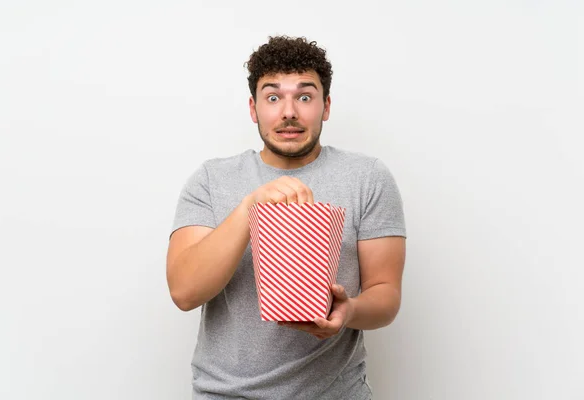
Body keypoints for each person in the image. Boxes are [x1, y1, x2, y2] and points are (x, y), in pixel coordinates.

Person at [166, 35, 407, 399]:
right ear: (254, 108)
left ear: (326, 106)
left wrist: (349, 311)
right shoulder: (212, 180)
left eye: (305, 96)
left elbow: (386, 293)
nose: (289, 112)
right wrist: (250, 209)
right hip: (226, 393)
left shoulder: (367, 177)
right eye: (274, 97)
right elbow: (184, 292)